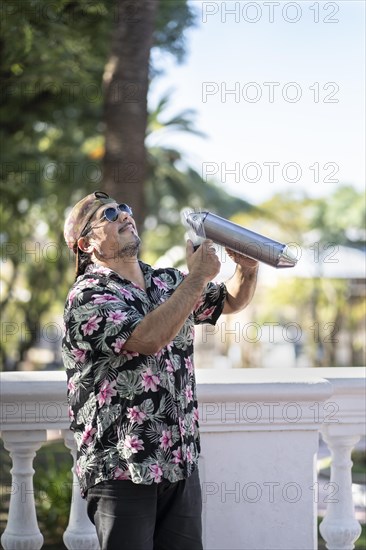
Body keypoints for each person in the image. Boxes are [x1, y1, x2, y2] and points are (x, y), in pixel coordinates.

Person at [62, 190, 259, 550]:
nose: (123, 215)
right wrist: (197, 277)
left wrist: (247, 268)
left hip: (179, 463)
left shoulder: (167, 282)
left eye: (125, 208)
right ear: (86, 243)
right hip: (122, 469)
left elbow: (230, 300)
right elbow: (147, 338)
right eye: (108, 214)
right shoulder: (88, 296)